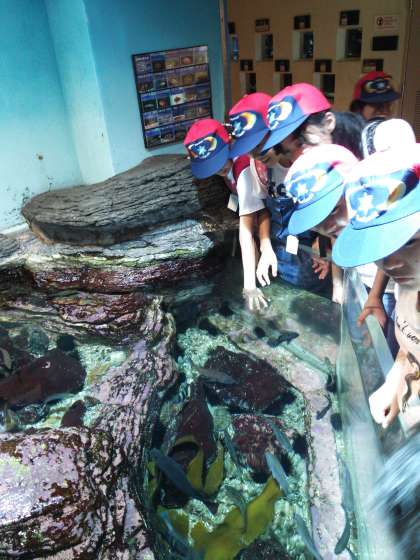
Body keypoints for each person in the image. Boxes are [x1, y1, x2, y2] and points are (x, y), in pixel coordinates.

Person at [332, 143, 420, 430]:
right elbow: (413, 343)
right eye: (380, 246)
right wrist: (399, 377)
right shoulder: (409, 283)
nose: (390, 263)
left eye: (408, 241)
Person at [228, 87, 328, 293]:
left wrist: (325, 246)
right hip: (279, 250)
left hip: (314, 253)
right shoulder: (259, 168)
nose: (256, 154)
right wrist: (265, 246)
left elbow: (332, 209)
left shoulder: (309, 160)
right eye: (249, 149)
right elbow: (262, 211)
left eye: (260, 144)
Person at [183, 117, 274, 311]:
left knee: (251, 235)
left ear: (230, 143)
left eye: (219, 160)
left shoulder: (242, 168)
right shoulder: (228, 168)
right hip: (253, 207)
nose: (218, 168)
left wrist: (249, 286)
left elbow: (247, 231)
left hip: (270, 210)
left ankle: (256, 281)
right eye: (211, 165)